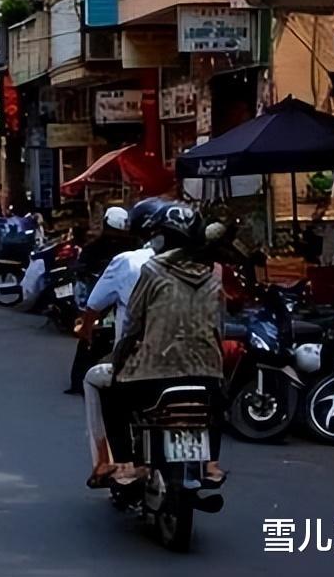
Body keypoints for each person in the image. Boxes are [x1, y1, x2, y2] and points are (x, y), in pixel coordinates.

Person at [106, 201, 225, 487]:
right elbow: (218, 327)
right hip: (207, 374)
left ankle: (128, 465)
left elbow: (133, 323)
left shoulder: (153, 270)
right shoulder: (213, 276)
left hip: (152, 375)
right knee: (215, 408)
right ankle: (211, 464)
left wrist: (119, 358)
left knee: (113, 398)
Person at [77, 198, 163, 482]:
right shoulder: (203, 268)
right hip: (200, 369)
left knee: (96, 380)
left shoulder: (131, 263)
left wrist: (88, 332)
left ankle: (110, 461)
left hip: (143, 365)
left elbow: (94, 305)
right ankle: (210, 463)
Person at [67, 206, 135, 394]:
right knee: (87, 333)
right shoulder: (128, 248)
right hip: (105, 298)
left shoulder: (131, 250)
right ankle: (78, 380)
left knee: (87, 332)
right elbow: (81, 270)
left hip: (114, 301)